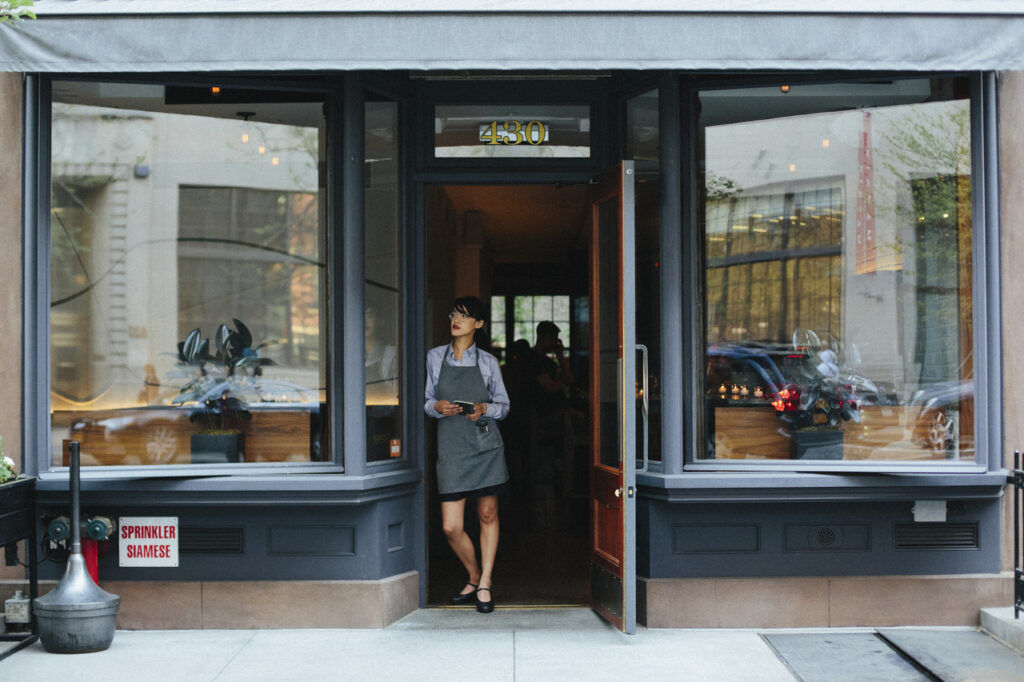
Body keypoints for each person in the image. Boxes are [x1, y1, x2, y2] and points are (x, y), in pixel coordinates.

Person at [424, 295, 510, 613]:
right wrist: (436, 406)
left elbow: (504, 406)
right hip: (451, 445)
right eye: (453, 314)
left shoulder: (488, 363)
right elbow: (426, 399)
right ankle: (473, 574)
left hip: (485, 445)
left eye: (463, 315)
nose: (455, 320)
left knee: (487, 514)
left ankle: (485, 581)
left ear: (478, 324)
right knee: (451, 526)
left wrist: (486, 408)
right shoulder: (434, 357)